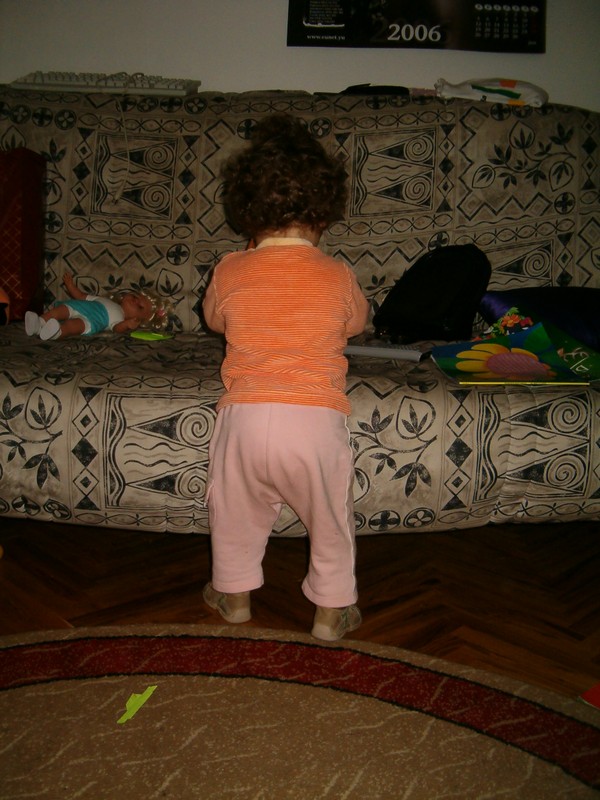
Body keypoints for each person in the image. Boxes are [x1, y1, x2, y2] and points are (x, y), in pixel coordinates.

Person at [202, 114, 370, 641]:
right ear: (324, 214)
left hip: (245, 421)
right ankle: (330, 613)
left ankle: (234, 600)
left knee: (234, 515)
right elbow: (356, 324)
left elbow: (215, 321)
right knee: (330, 521)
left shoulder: (229, 269)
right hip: (314, 423)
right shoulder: (337, 274)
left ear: (247, 214)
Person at [24, 272, 170, 339]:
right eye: (135, 297)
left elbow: (117, 329)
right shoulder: (105, 300)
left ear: (138, 320)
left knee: (73, 326)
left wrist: (127, 325)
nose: (135, 301)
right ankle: (39, 323)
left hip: (90, 322)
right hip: (78, 306)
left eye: (139, 307)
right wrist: (70, 286)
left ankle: (57, 332)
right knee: (59, 311)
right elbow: (81, 296)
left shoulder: (119, 319)